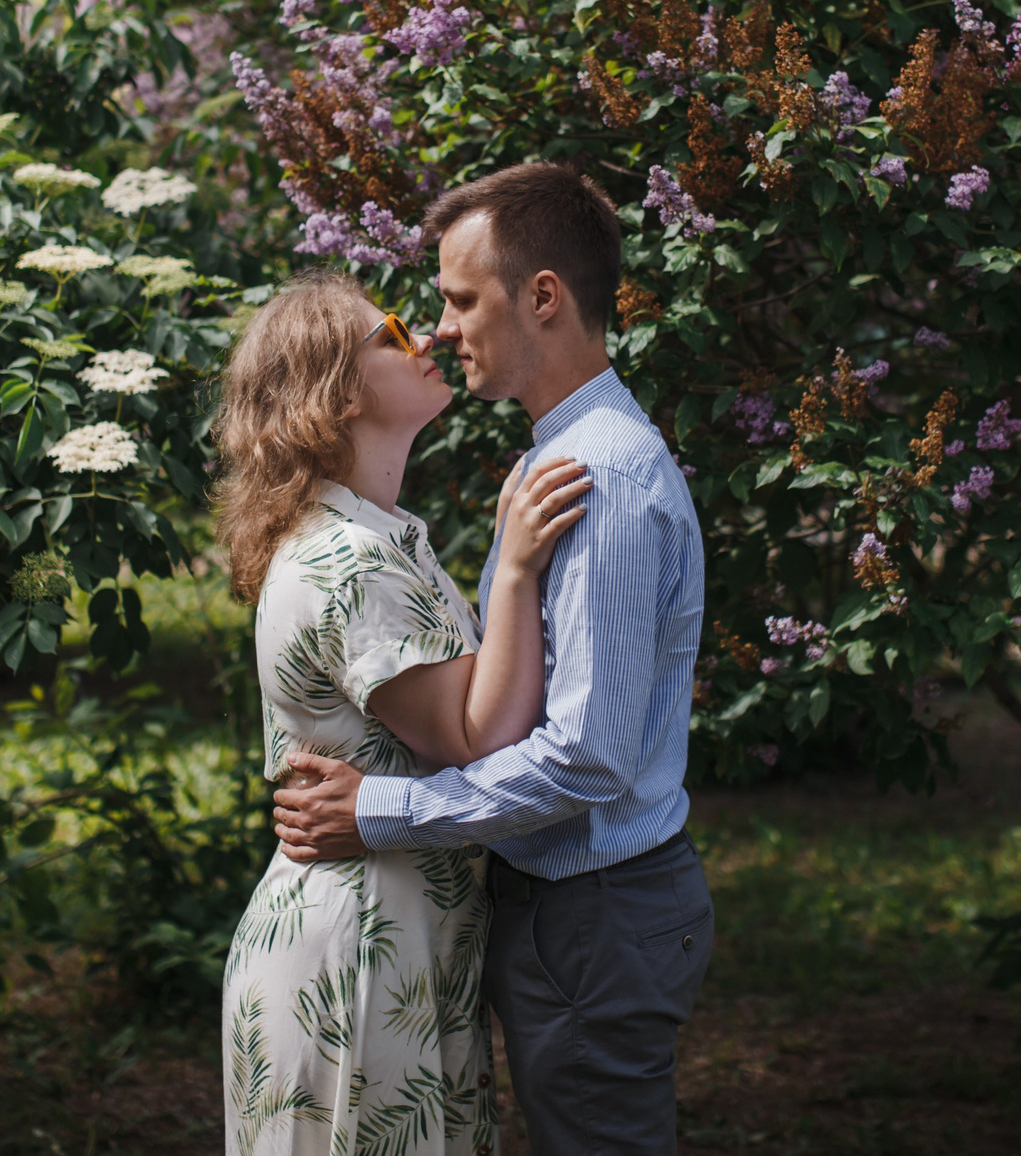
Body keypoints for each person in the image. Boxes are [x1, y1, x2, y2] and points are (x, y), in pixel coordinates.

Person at [270, 162, 713, 1156]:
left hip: (597, 914)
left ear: (542, 297)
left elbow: (586, 757)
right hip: (583, 914)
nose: (439, 328)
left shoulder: (594, 473)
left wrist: (380, 812)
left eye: (461, 299)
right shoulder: (566, 457)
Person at [212, 268, 593, 1156]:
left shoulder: (375, 539)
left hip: (394, 946)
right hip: (360, 958)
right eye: (389, 328)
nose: (424, 335)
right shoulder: (351, 559)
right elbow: (475, 736)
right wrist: (516, 569)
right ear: (336, 391)